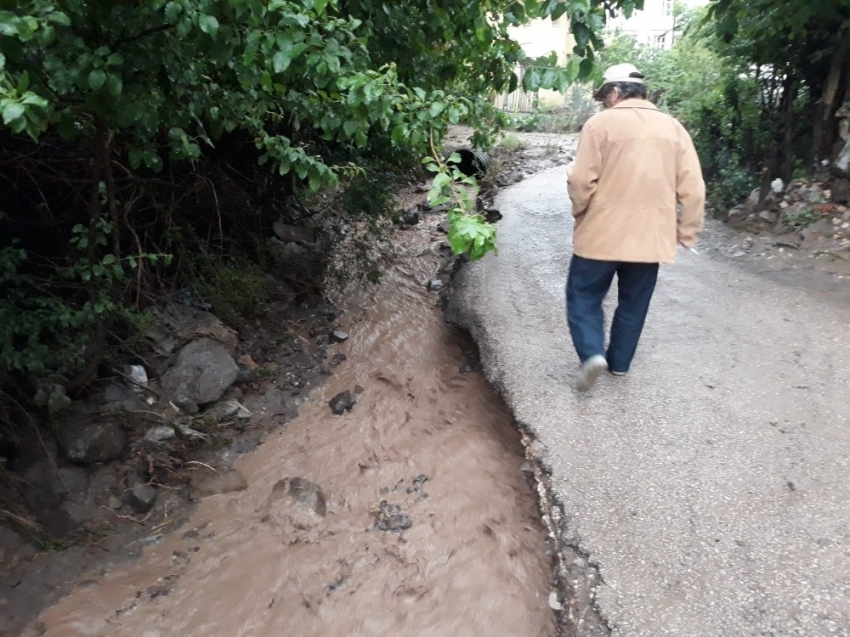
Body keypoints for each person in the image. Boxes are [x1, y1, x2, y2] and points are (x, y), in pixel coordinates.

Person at [565, 62, 705, 391]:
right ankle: (620, 364)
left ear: (614, 92)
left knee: (583, 294)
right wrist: (688, 232)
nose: (603, 102)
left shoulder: (600, 125)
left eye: (604, 96)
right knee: (634, 301)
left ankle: (591, 354)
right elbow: (694, 188)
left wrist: (580, 211)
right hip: (650, 237)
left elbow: (582, 180)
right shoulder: (674, 129)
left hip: (600, 232)